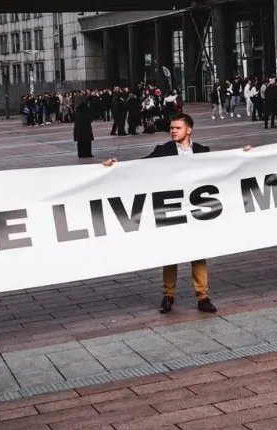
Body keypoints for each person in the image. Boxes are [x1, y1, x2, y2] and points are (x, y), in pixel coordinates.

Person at [103, 114, 249, 313]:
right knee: (171, 253)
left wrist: (244, 155)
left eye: (177, 128)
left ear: (188, 130)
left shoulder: (202, 151)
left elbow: (223, 166)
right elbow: (140, 166)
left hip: (196, 209)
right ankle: (168, 296)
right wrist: (116, 166)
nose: (173, 131)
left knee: (198, 253)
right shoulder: (163, 151)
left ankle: (203, 297)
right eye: (172, 128)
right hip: (172, 208)